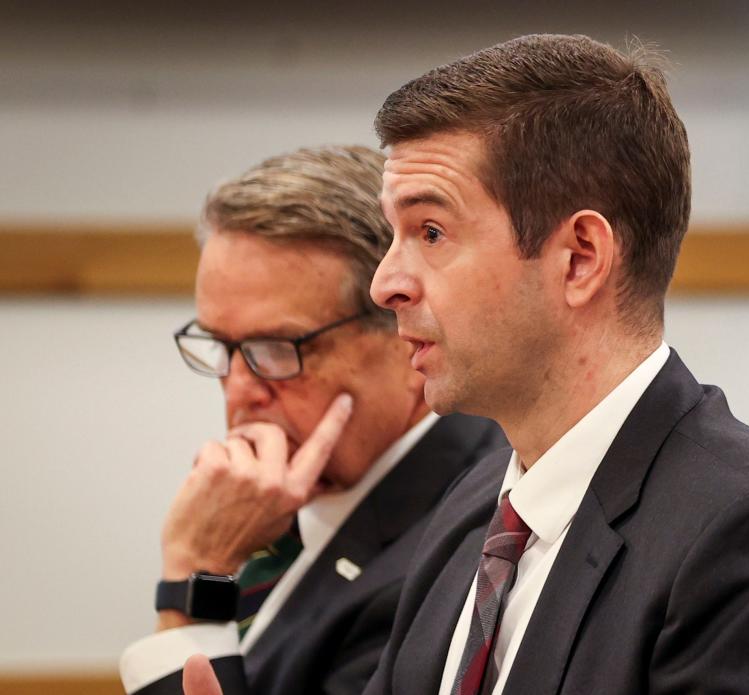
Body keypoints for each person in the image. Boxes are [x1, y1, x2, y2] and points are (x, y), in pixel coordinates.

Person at [185, 34, 749, 695]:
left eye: (430, 231)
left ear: (580, 258)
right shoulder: (475, 511)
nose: (386, 283)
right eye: (394, 234)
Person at [119, 146, 504, 695]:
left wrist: (194, 581)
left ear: (406, 334)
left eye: (276, 348)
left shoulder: (460, 553)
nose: (241, 390)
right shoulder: (274, 513)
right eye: (221, 347)